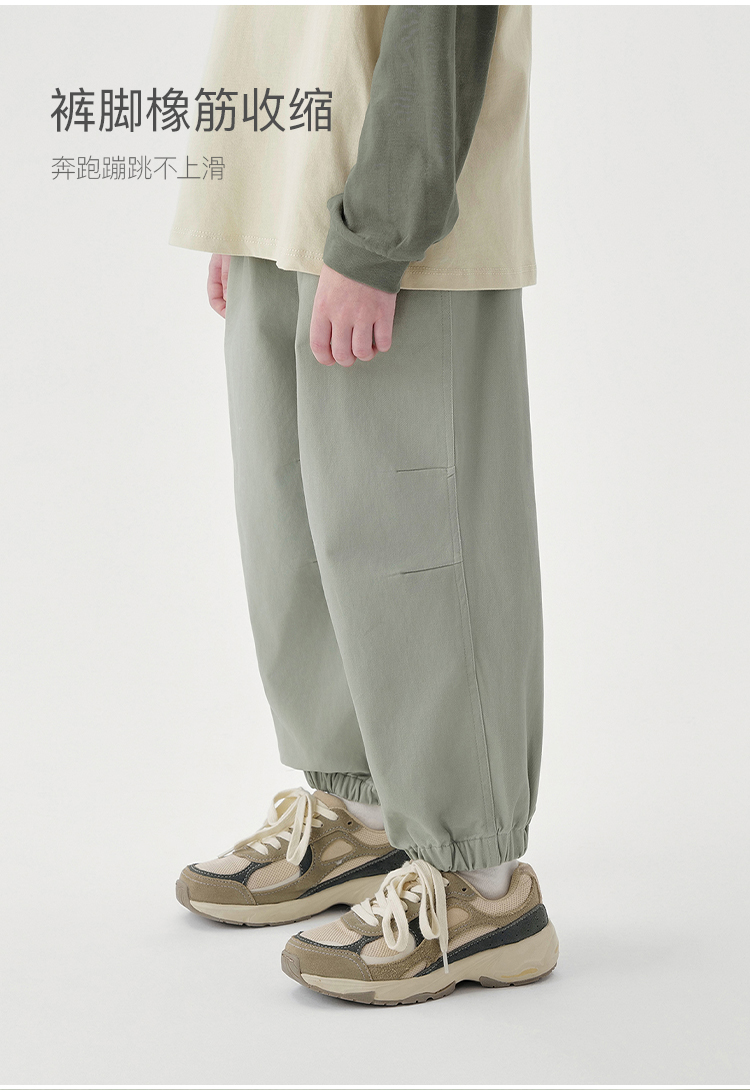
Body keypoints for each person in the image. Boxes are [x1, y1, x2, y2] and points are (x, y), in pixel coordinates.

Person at [169, 4, 558, 1005]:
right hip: (287, 191)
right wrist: (248, 198)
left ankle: (480, 883)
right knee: (299, 525)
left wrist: (382, 227)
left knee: (420, 543)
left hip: (394, 200)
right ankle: (366, 815)